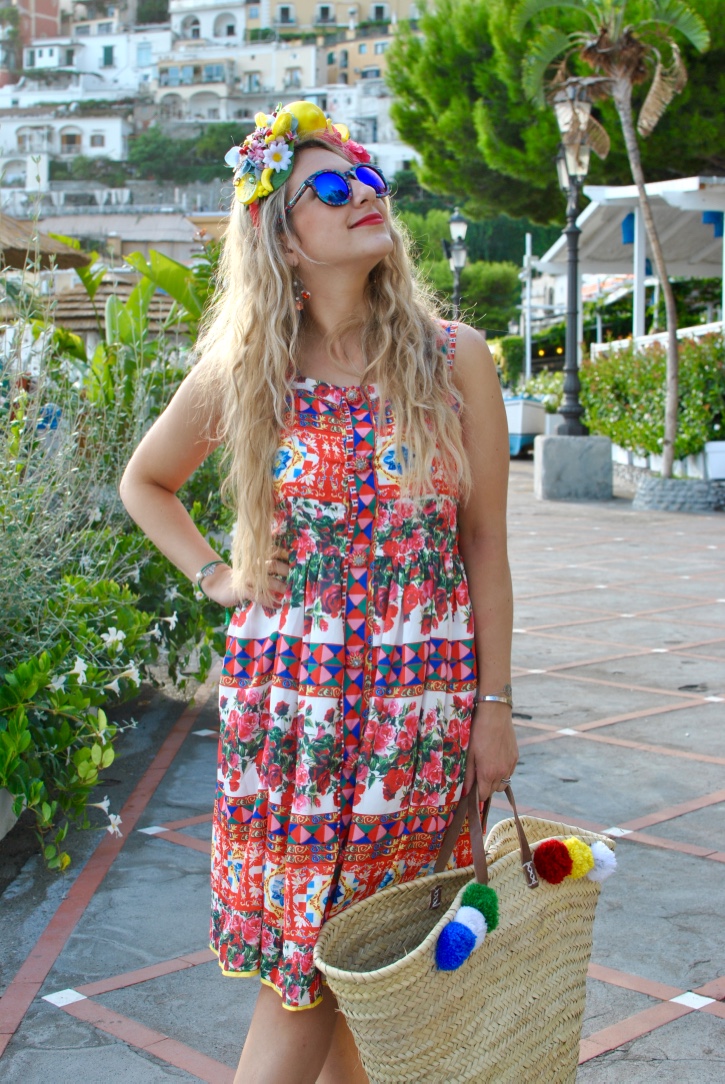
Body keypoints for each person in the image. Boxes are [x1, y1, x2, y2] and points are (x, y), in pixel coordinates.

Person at [120, 101, 518, 1084]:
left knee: (368, 968)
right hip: (290, 717)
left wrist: (494, 707)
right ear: (283, 238)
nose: (362, 194)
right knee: (312, 973)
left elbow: (483, 544)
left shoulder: (453, 357)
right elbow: (146, 482)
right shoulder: (248, 368)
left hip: (417, 719)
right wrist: (218, 576)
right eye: (329, 188)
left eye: (366, 177)